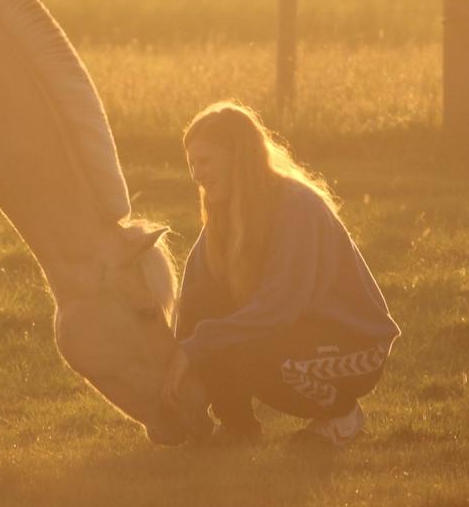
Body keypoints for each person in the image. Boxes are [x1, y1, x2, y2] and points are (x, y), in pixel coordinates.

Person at [162, 101, 400, 447]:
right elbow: (194, 302)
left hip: (353, 345)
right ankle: (238, 428)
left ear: (237, 158)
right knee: (208, 307)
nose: (196, 174)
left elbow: (278, 308)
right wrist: (178, 371)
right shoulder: (221, 215)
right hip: (292, 332)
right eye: (191, 164)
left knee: (259, 357)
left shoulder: (297, 207)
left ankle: (342, 415)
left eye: (205, 161)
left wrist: (196, 348)